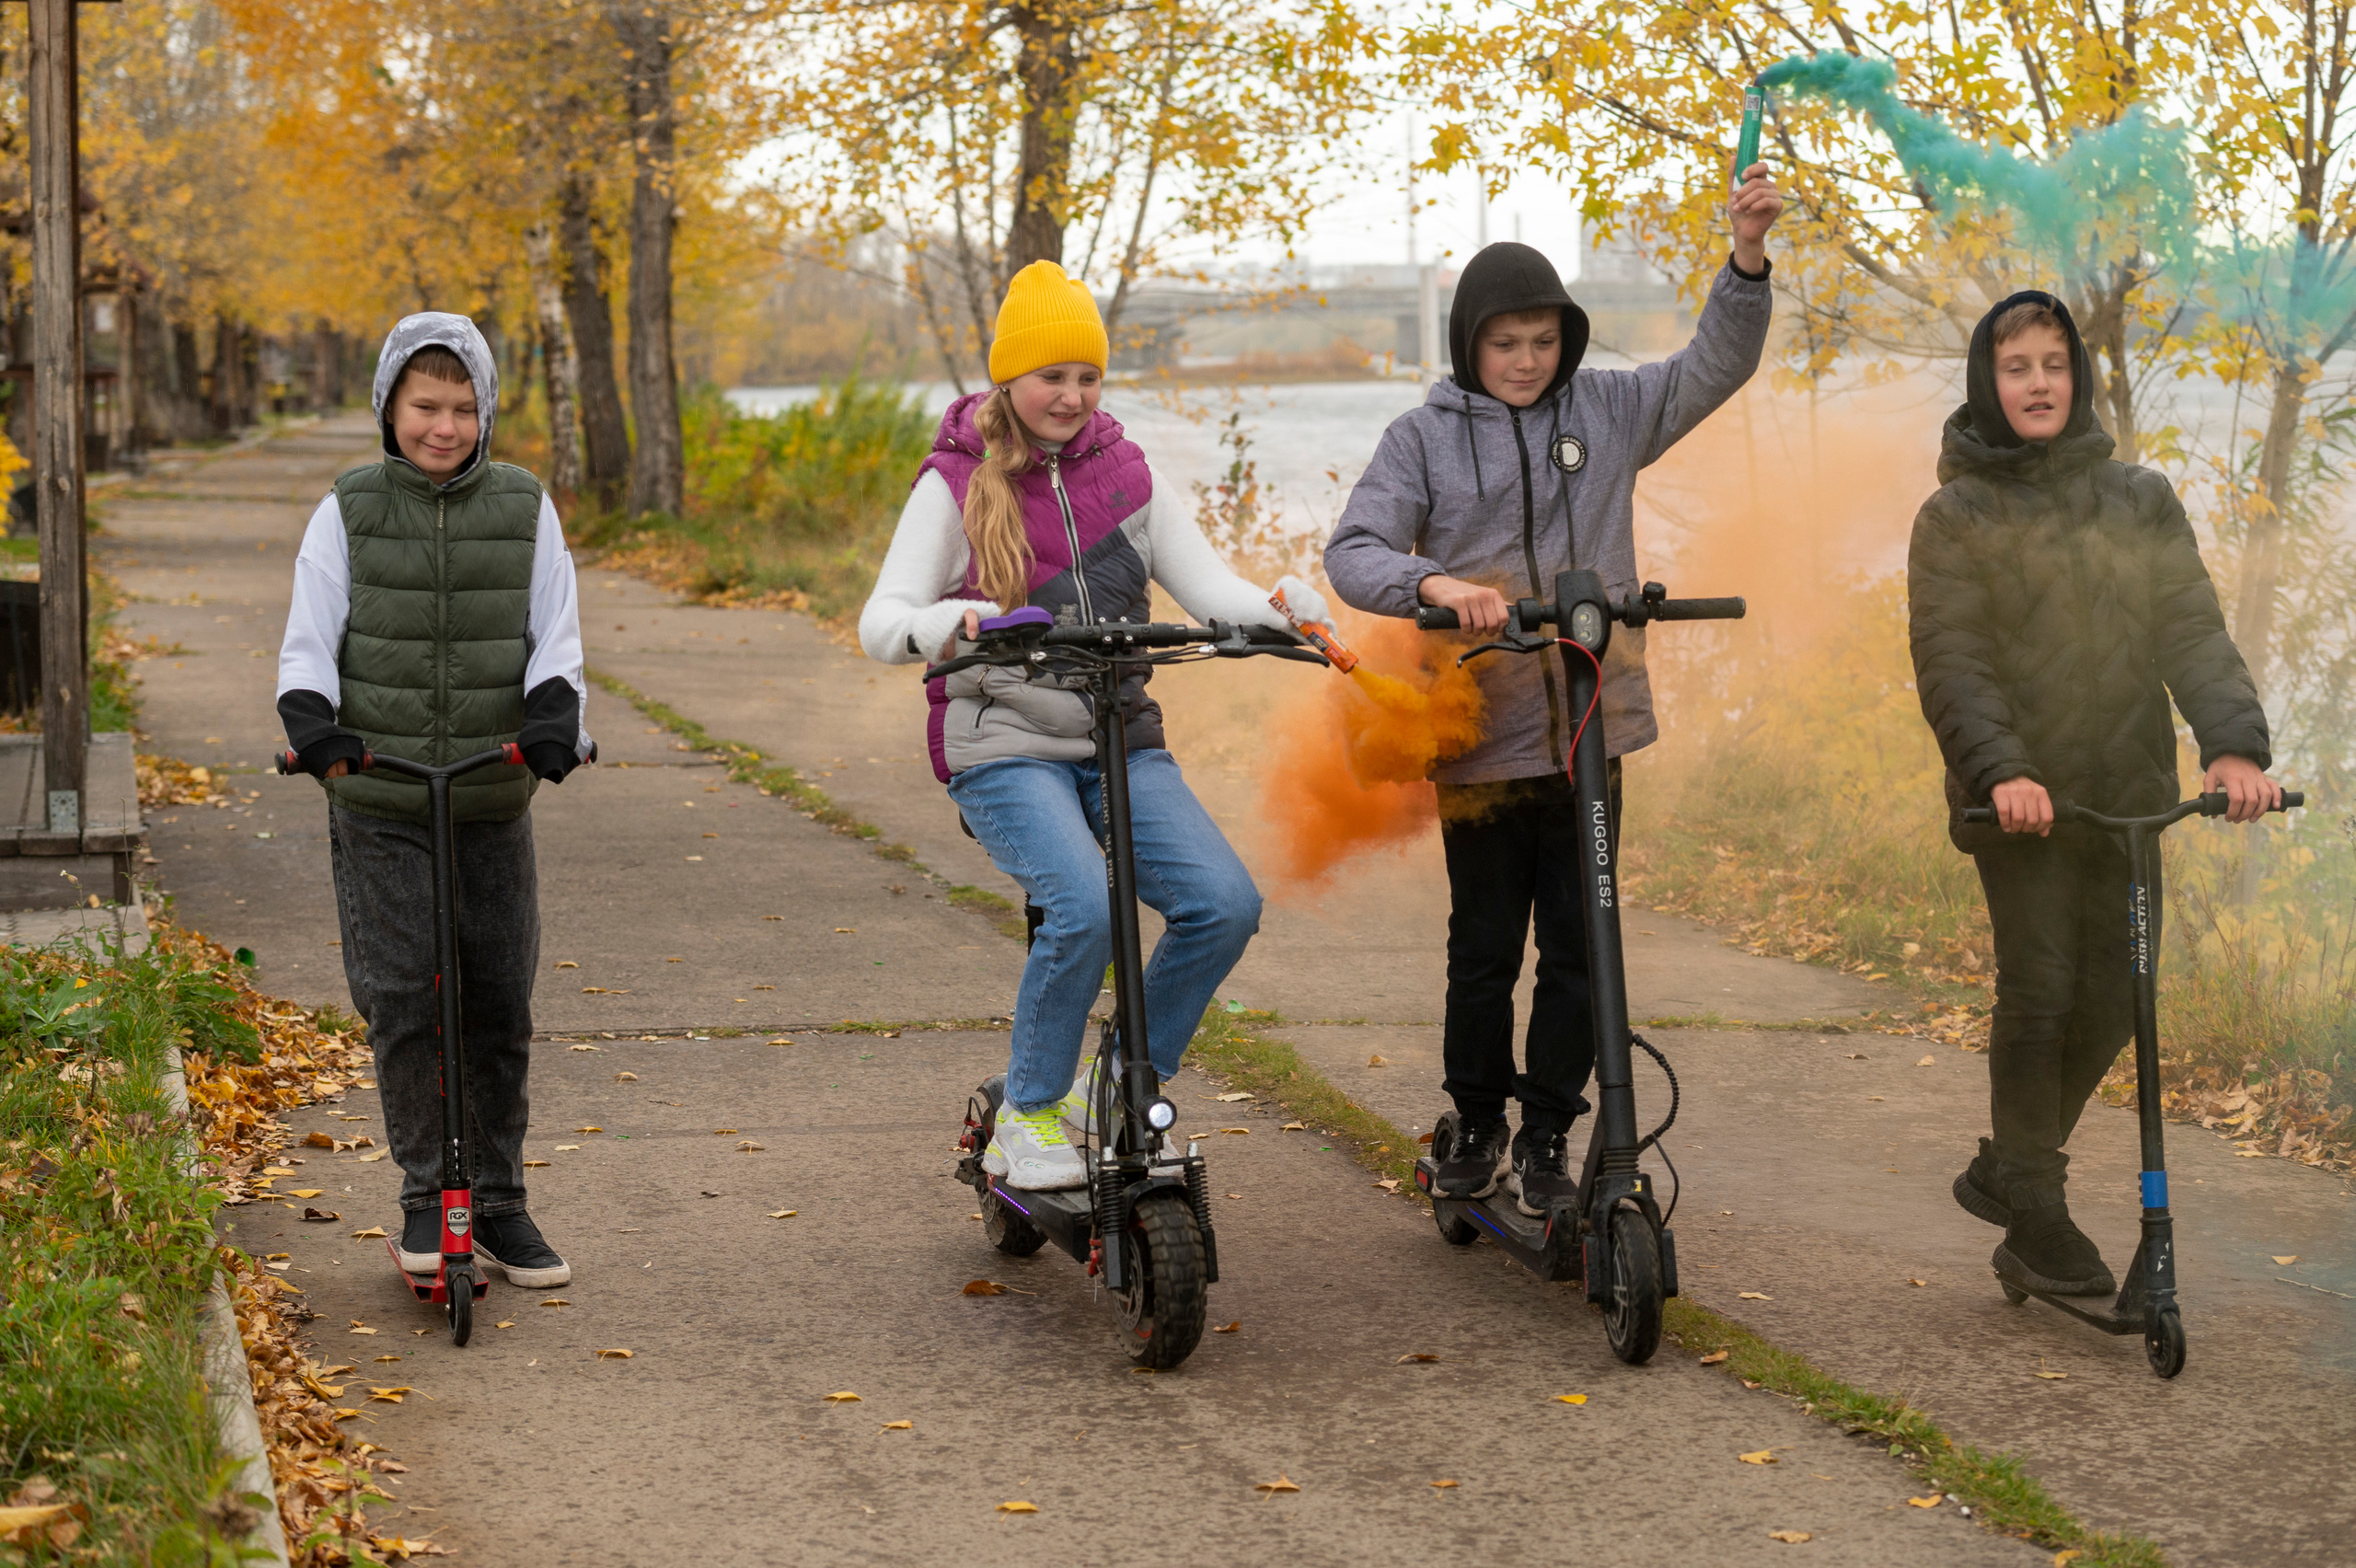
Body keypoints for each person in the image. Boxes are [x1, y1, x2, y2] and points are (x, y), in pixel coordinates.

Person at [1323, 166, 1784, 1215]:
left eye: (1541, 341)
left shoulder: (1611, 408)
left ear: (1565, 341)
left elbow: (1714, 365)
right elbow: (1351, 550)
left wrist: (1745, 258)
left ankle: (1545, 1133)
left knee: (1581, 945)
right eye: (1504, 343)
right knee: (1485, 949)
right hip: (1481, 737)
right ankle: (1475, 1120)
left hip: (1588, 724)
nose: (1525, 361)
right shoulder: (1422, 439)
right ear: (1469, 347)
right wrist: (1433, 584)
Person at [859, 261, 1324, 1191]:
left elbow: (1210, 589)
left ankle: (1106, 1091)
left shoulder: (1127, 475)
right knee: (1081, 905)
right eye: (1051, 376)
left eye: (1087, 376)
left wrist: (1280, 611)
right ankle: (1025, 1118)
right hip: (1000, 742)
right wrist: (944, 625)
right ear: (1010, 380)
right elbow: (881, 622)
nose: (1071, 395)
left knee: (1224, 905)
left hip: (1117, 732)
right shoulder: (954, 482)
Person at [1908, 291, 2277, 1295]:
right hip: (2020, 805)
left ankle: (2007, 1168)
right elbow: (1954, 663)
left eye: (2053, 365)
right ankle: (2036, 1211)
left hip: (2125, 796)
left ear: (2079, 378)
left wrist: (2232, 747)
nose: (2037, 382)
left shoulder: (2139, 500)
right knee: (2041, 992)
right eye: (2015, 366)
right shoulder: (1955, 516)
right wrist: (2004, 770)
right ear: (1989, 383)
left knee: (2118, 994)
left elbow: (2190, 632)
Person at [276, 312, 593, 1287]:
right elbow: (307, 643)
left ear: (485, 412)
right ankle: (427, 1196)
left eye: (462, 407)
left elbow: (558, 640)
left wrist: (552, 722)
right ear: (390, 408)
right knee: (408, 997)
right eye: (425, 406)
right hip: (381, 796)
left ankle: (498, 1203)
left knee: (498, 999)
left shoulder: (526, 508)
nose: (443, 427)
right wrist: (315, 729)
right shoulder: (349, 508)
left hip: (492, 797)